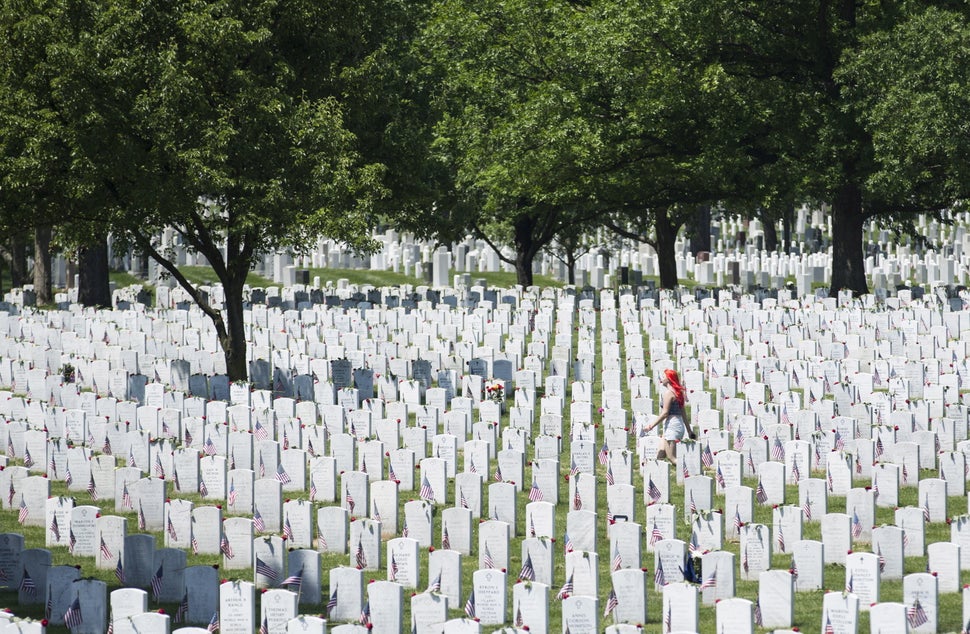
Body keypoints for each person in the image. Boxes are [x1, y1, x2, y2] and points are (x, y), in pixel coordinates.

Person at [644, 368, 691, 466]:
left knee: (672, 458)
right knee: (661, 454)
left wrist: (650, 426)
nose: (662, 378)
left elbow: (665, 413)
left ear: (669, 379)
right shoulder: (678, 393)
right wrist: (689, 431)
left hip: (672, 426)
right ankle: (657, 475)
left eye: (664, 376)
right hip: (677, 425)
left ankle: (690, 471)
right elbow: (683, 414)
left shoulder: (669, 393)